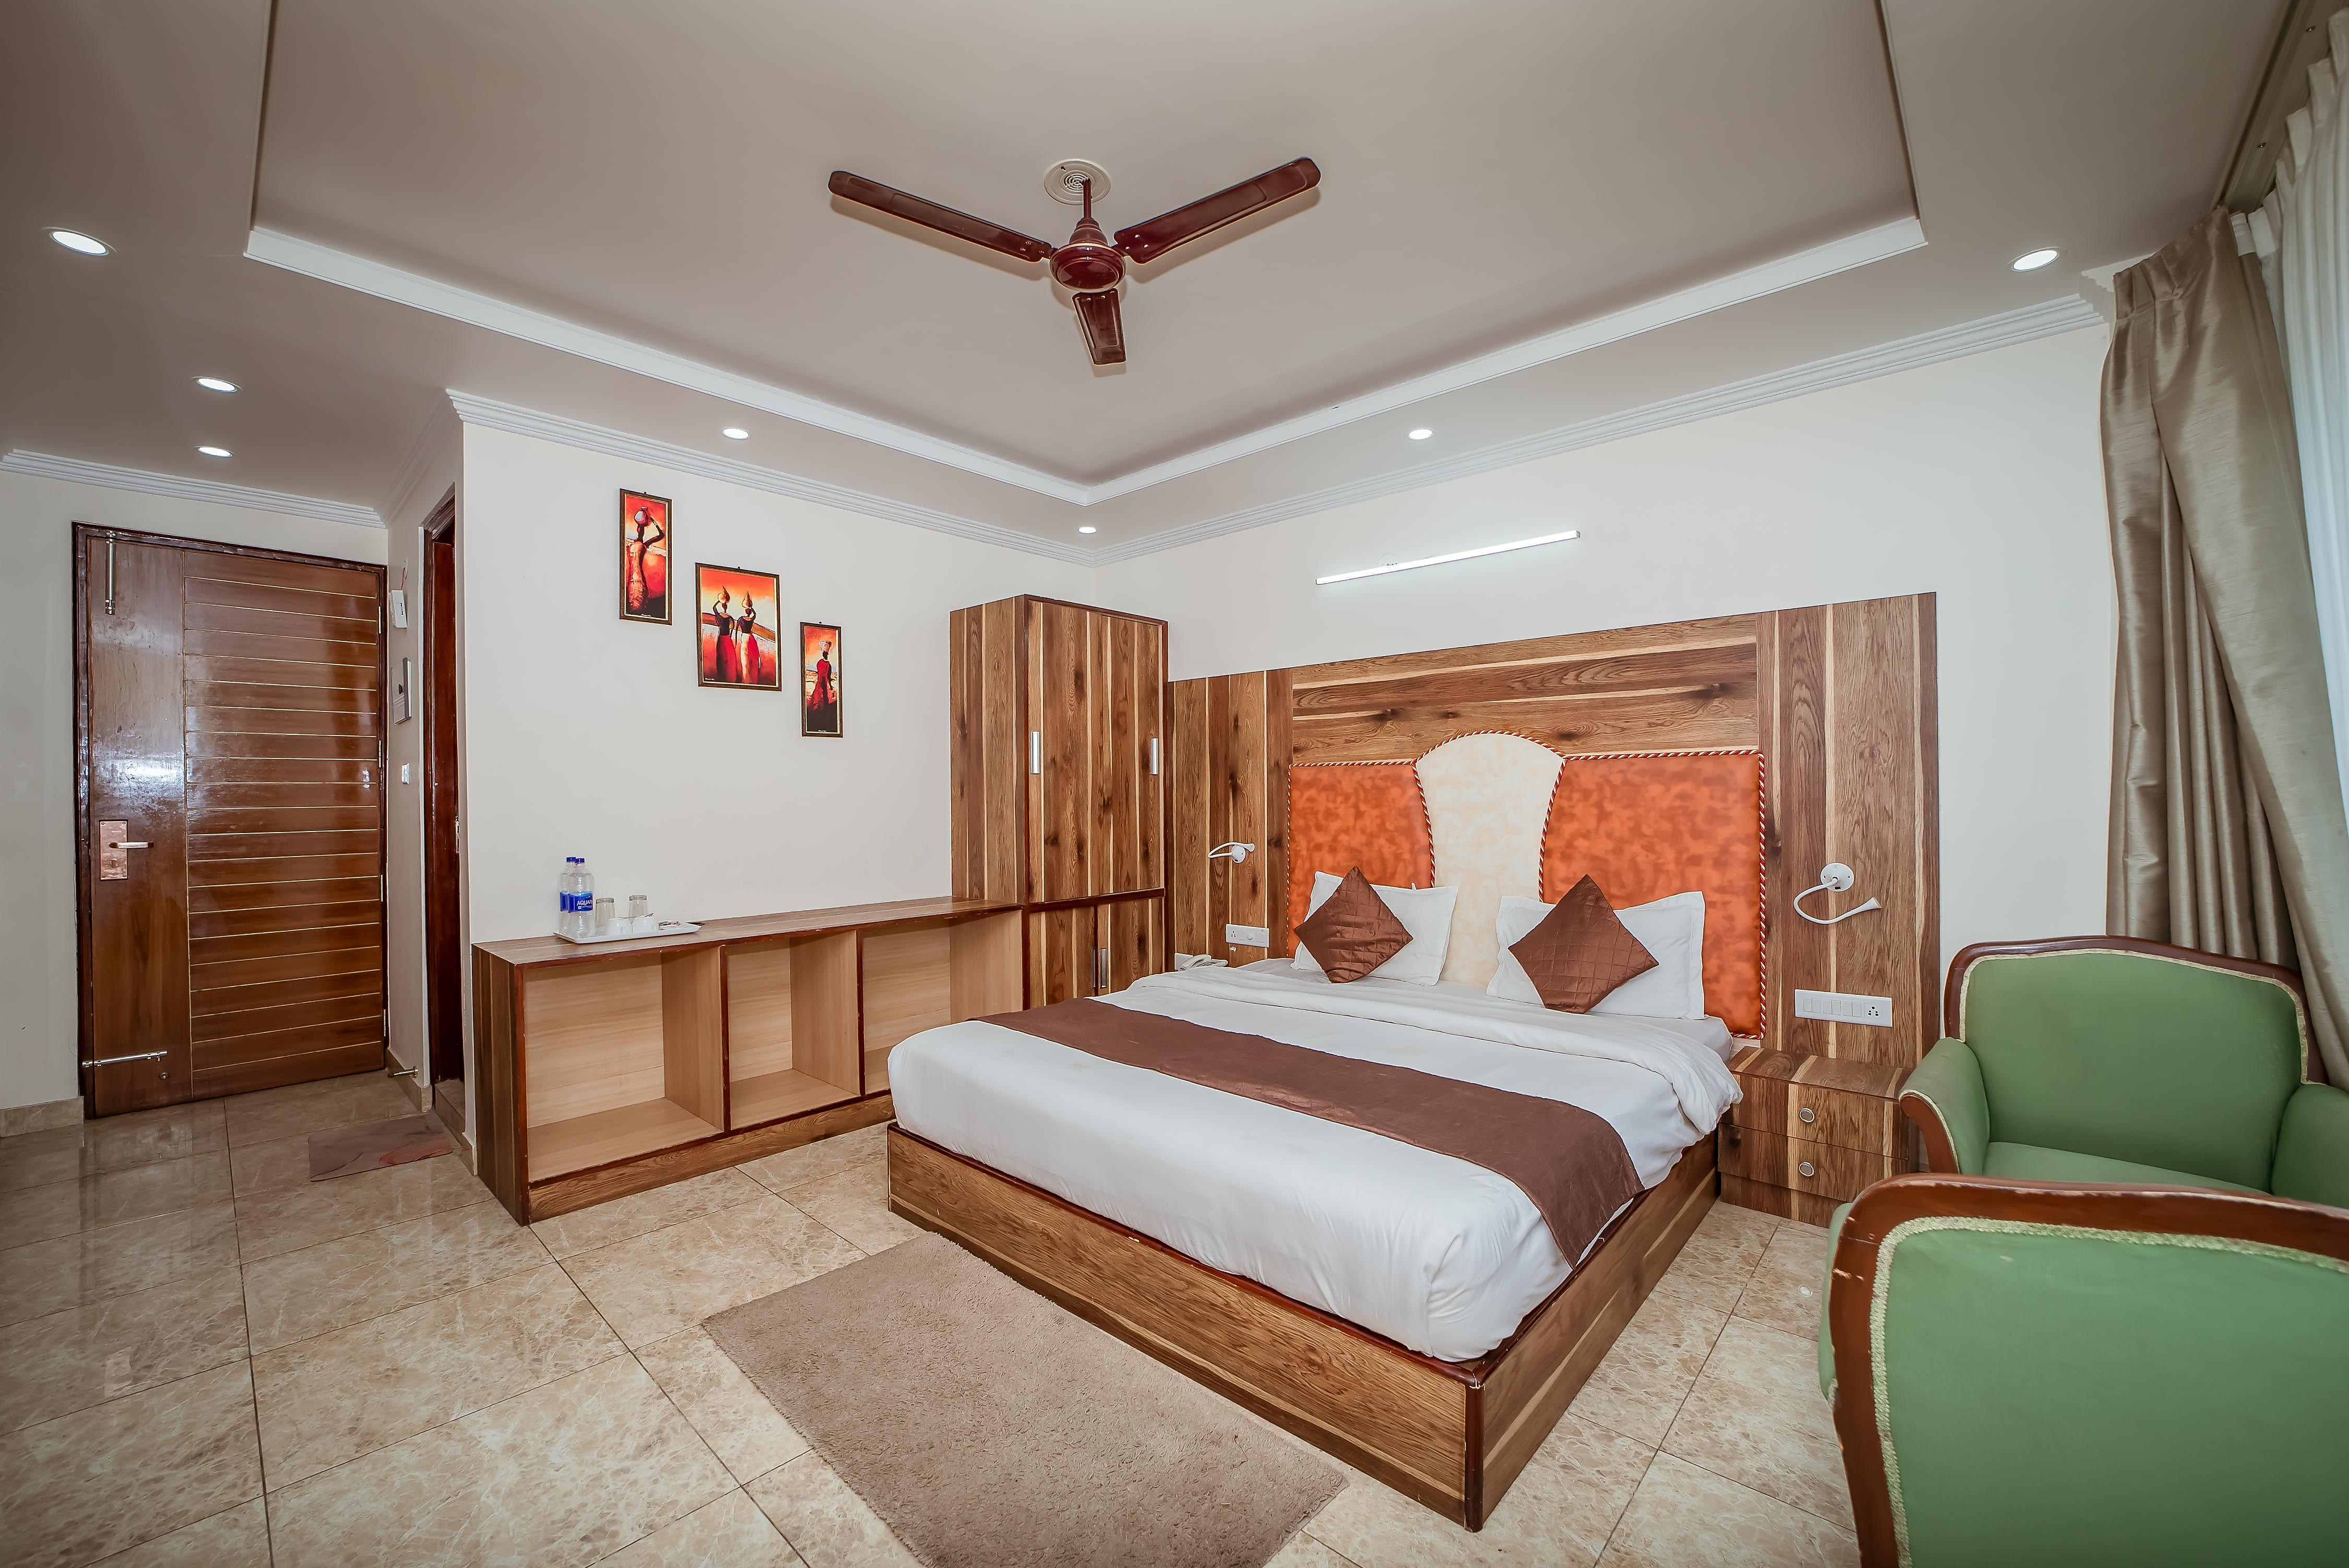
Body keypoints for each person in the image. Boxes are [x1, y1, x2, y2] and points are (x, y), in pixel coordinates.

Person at [624, 505, 665, 616]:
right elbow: (661, 535)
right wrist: (652, 520)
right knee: (638, 594)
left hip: (632, 576)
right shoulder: (644, 545)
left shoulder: (632, 545)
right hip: (638, 575)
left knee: (634, 595)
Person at [808, 636, 837, 731]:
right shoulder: (826, 664)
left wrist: (831, 688)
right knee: (820, 703)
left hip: (822, 686)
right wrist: (831, 688)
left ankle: (819, 724)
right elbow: (826, 677)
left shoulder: (824, 664)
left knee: (820, 704)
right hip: (822, 686)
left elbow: (825, 676)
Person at [711, 588, 740, 684]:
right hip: (728, 639)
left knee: (722, 657)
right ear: (726, 607)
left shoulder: (719, 616)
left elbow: (714, 608)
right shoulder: (730, 618)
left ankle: (722, 676)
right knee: (729, 658)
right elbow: (732, 629)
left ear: (722, 606)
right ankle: (730, 677)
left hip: (721, 639)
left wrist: (719, 601)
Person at [738, 600, 767, 686]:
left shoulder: (741, 619)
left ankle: (746, 680)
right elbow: (755, 615)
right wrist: (751, 607)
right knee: (753, 661)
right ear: (750, 612)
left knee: (745, 662)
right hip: (751, 639)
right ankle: (752, 681)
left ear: (745, 611)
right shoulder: (751, 620)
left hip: (744, 638)